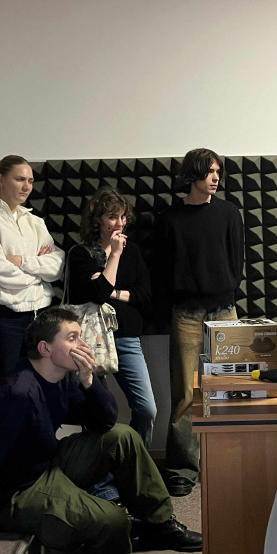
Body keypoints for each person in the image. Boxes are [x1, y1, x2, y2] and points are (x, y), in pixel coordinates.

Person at [0, 307, 201, 554]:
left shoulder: (62, 378)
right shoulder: (16, 394)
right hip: (16, 494)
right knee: (114, 524)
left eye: (80, 336)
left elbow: (105, 422)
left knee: (123, 436)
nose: (82, 345)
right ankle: (99, 530)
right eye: (72, 338)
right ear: (45, 348)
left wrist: (89, 381)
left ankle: (160, 526)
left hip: (48, 463)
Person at [156, 148, 244, 497]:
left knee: (232, 389)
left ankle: (228, 461)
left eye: (218, 171)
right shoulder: (169, 218)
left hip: (225, 311)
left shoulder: (228, 213)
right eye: (209, 171)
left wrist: (225, 289)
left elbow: (237, 261)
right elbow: (163, 267)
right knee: (186, 394)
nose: (216, 177)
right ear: (192, 175)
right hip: (186, 314)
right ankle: (182, 469)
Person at [0, 155, 64, 417]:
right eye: (20, 179)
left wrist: (21, 262)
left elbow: (57, 265)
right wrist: (38, 274)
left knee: (37, 394)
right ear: (0, 179)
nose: (27, 186)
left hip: (39, 318)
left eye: (30, 180)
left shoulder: (35, 222)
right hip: (3, 320)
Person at [67, 186, 156, 446]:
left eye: (123, 217)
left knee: (147, 409)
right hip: (90, 341)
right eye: (112, 217)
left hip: (126, 338)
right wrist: (114, 254)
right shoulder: (81, 254)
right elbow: (97, 294)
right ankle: (101, 463)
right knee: (99, 414)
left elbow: (144, 296)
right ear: (97, 220)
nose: (119, 223)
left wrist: (114, 293)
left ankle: (135, 459)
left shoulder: (133, 252)